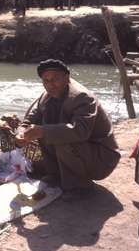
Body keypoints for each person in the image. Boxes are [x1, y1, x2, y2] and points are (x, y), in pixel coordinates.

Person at [15, 59, 120, 197]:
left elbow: (80, 131)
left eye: (55, 79)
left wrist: (41, 131)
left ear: (67, 77)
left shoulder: (83, 97)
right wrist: (22, 131)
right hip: (84, 152)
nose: (51, 84)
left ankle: (80, 186)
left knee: (55, 136)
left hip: (102, 158)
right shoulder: (46, 96)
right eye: (46, 80)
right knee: (41, 132)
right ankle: (56, 175)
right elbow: (30, 119)